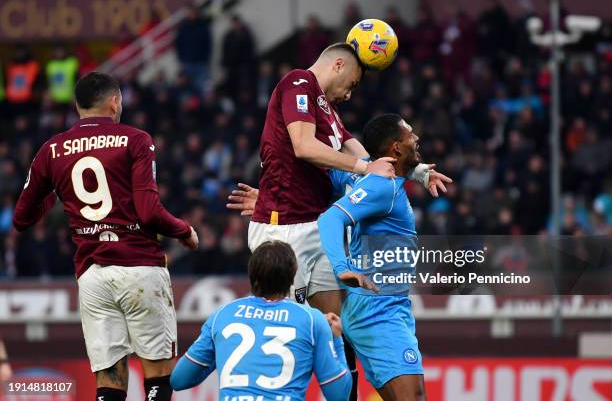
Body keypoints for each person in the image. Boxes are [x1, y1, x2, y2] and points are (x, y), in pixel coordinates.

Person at [227, 42, 450, 400]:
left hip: (314, 225)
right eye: (353, 83)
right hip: (284, 231)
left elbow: (366, 155)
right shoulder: (298, 83)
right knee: (289, 334)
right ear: (339, 64)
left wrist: (417, 171)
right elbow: (303, 146)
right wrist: (365, 168)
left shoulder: (327, 110)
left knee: (337, 330)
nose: (350, 93)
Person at [12, 72, 199, 401]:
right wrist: (184, 231)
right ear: (114, 102)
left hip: (92, 275)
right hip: (138, 266)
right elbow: (149, 212)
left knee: (109, 382)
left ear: (77, 106)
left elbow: (21, 218)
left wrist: (56, 192)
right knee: (157, 376)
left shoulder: (51, 150)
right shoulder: (135, 139)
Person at [318, 114, 433, 400]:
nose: (416, 138)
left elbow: (332, 169)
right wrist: (342, 267)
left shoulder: (370, 178)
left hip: (385, 307)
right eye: (409, 135)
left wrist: (271, 200)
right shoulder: (381, 186)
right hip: (379, 312)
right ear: (395, 148)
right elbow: (330, 220)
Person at [170, 240, 352, 401]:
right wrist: (336, 340)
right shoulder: (312, 319)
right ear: (293, 275)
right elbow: (339, 395)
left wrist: (219, 355)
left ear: (251, 274)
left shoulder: (223, 314)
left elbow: (179, 379)